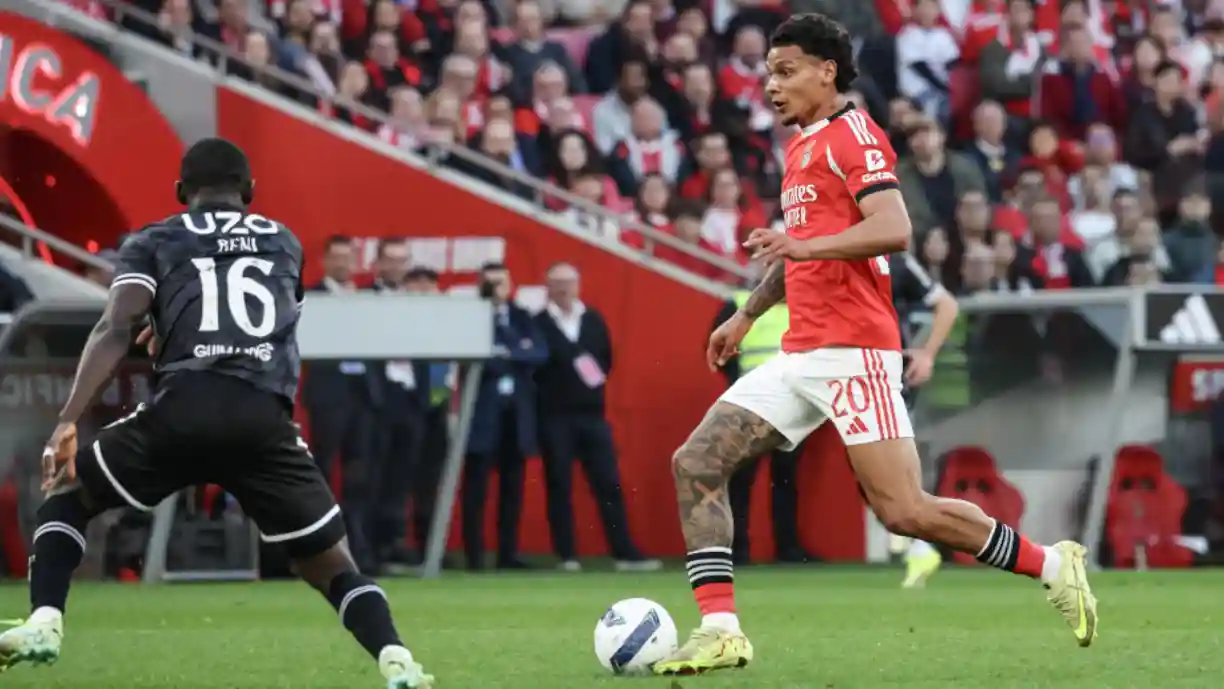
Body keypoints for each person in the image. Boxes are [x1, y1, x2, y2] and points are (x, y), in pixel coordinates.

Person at [651, 14, 1098, 677]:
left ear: (826, 71)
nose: (772, 86)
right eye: (768, 74)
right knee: (696, 462)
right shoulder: (801, 147)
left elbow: (893, 228)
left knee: (904, 511)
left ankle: (1054, 564)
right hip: (802, 352)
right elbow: (798, 252)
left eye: (785, 72)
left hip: (856, 352)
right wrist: (746, 315)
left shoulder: (854, 135)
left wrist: (805, 246)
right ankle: (721, 630)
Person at [0, 138, 435, 688]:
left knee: (69, 493)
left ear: (180, 191)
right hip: (262, 420)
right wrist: (172, 327)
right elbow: (265, 322)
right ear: (249, 191)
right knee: (331, 565)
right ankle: (396, 657)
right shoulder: (284, 240)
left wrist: (68, 419)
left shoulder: (155, 239)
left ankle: (45, 620)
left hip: (184, 408)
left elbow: (115, 328)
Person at [533, 262, 657, 572]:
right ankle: (567, 555)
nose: (563, 289)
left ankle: (624, 552)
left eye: (568, 282)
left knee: (608, 482)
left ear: (578, 285)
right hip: (554, 416)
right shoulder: (538, 323)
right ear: (548, 287)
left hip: (592, 414)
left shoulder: (592, 319)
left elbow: (606, 359)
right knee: (559, 484)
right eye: (557, 283)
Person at [885, 251, 961, 588]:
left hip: (887, 376)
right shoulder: (829, 253)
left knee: (889, 467)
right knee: (874, 470)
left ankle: (921, 544)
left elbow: (947, 305)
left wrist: (927, 354)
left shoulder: (896, 262)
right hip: (846, 374)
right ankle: (914, 540)